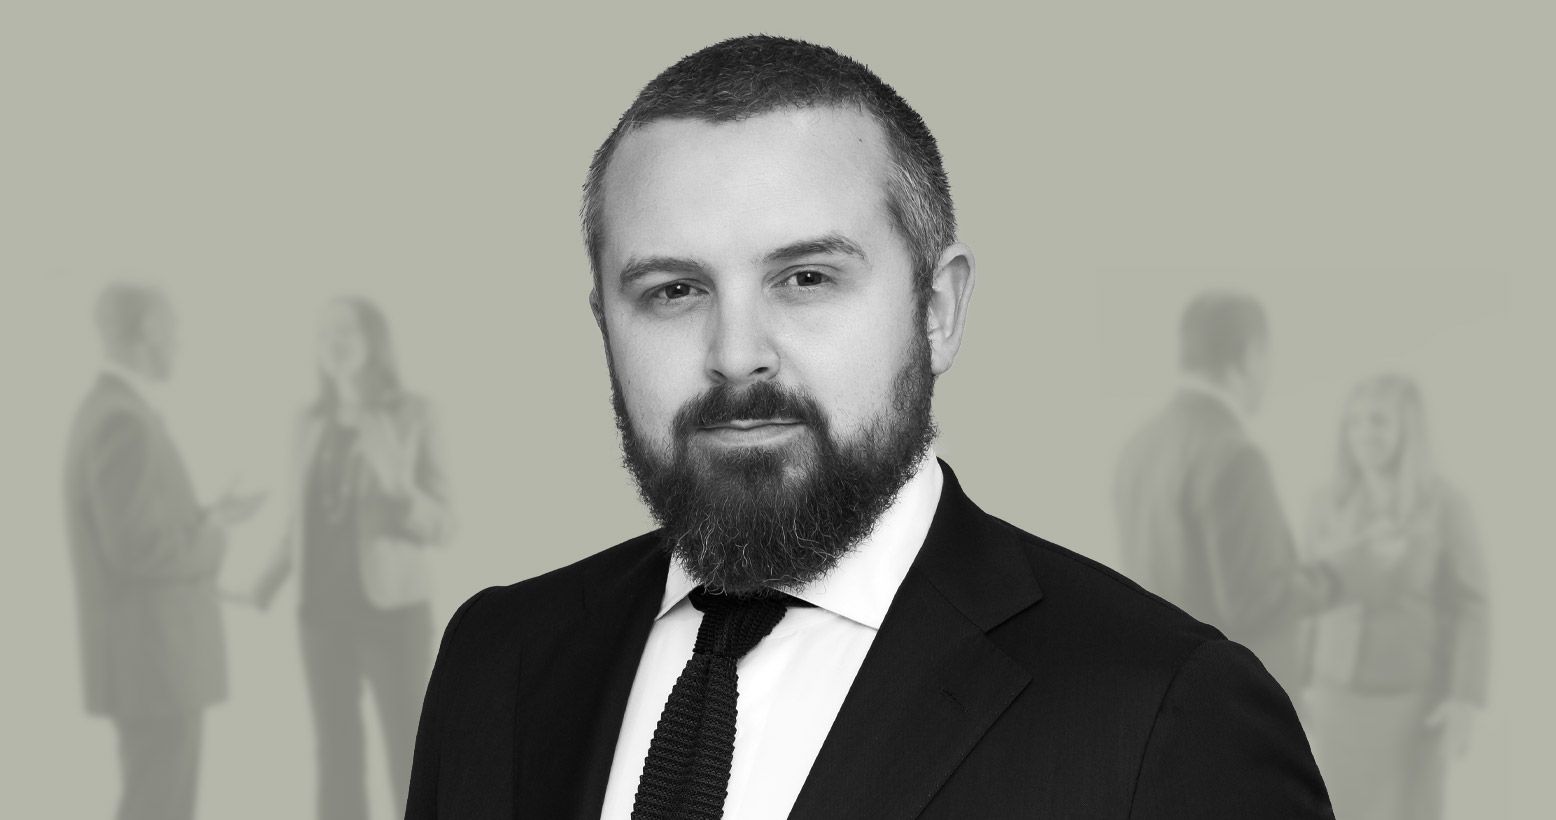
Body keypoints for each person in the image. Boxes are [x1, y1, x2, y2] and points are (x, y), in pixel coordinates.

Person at [407, 37, 1336, 818]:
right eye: (674, 290)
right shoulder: (498, 661)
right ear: (605, 324)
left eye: (806, 278)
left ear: (938, 309)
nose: (737, 355)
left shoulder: (1166, 712)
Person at [1113, 290, 1398, 698]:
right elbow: (1256, 601)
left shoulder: (1139, 445)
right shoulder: (1235, 454)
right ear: (1250, 356)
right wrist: (1341, 573)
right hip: (1230, 700)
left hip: (1165, 688)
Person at [63, 282, 265, 820]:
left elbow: (137, 531)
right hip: (155, 665)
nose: (180, 341)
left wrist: (208, 515)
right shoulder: (122, 420)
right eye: (174, 328)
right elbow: (138, 550)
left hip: (151, 664)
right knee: (159, 807)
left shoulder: (111, 410)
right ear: (149, 330)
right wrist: (214, 536)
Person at [252, 296, 453, 820]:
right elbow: (300, 522)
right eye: (324, 334)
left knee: (408, 755)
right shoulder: (307, 422)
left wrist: (399, 488)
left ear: (373, 342)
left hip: (392, 614)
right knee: (335, 756)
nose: (333, 343)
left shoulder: (413, 414)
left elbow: (444, 522)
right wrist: (261, 584)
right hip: (319, 616)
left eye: (345, 331)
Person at [1301, 374, 1489, 819]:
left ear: (1409, 428)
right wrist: (1290, 684)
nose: (1364, 433)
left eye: (1379, 421)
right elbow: (1305, 602)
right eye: (1355, 422)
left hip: (1412, 704)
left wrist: (1463, 699)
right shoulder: (1325, 503)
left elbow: (1472, 605)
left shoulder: (1445, 505)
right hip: (1335, 703)